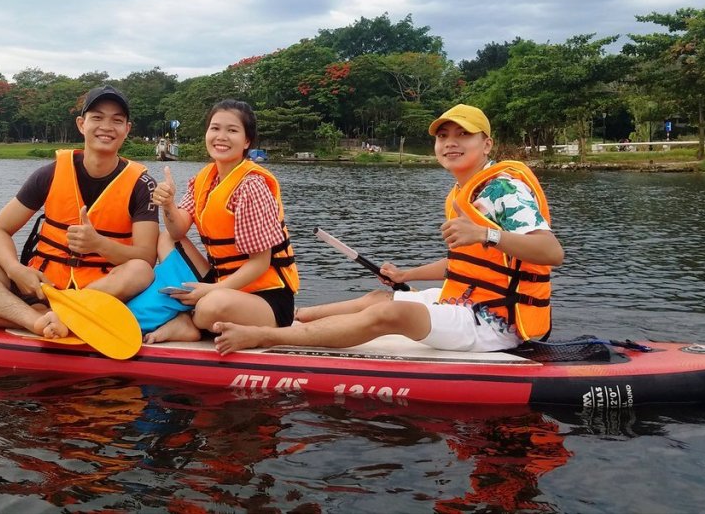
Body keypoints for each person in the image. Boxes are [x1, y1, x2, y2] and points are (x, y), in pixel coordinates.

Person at [214, 103, 563, 355]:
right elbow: (467, 264)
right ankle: (301, 319)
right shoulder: (464, 191)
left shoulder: (503, 188)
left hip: (495, 322)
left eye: (463, 135)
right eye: (443, 136)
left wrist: (484, 234)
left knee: (391, 312)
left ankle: (265, 337)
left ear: (486, 144)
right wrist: (405, 273)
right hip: (466, 298)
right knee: (380, 297)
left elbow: (551, 252)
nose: (450, 142)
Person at [0, 85, 158, 338]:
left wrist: (99, 244)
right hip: (41, 284)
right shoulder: (50, 173)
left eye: (117, 120)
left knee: (140, 271)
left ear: (127, 130)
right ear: (81, 124)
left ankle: (51, 314)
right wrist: (15, 269)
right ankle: (35, 321)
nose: (107, 127)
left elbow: (146, 257)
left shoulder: (143, 185)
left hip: (97, 289)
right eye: (97, 117)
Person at [143, 99, 299, 343]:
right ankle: (187, 308)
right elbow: (177, 230)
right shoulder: (204, 179)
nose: (221, 136)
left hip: (266, 297)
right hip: (221, 281)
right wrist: (169, 205)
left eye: (232, 130)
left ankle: (189, 321)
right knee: (166, 238)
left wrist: (212, 290)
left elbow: (259, 264)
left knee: (210, 306)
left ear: (247, 141)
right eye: (215, 128)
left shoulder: (251, 186)